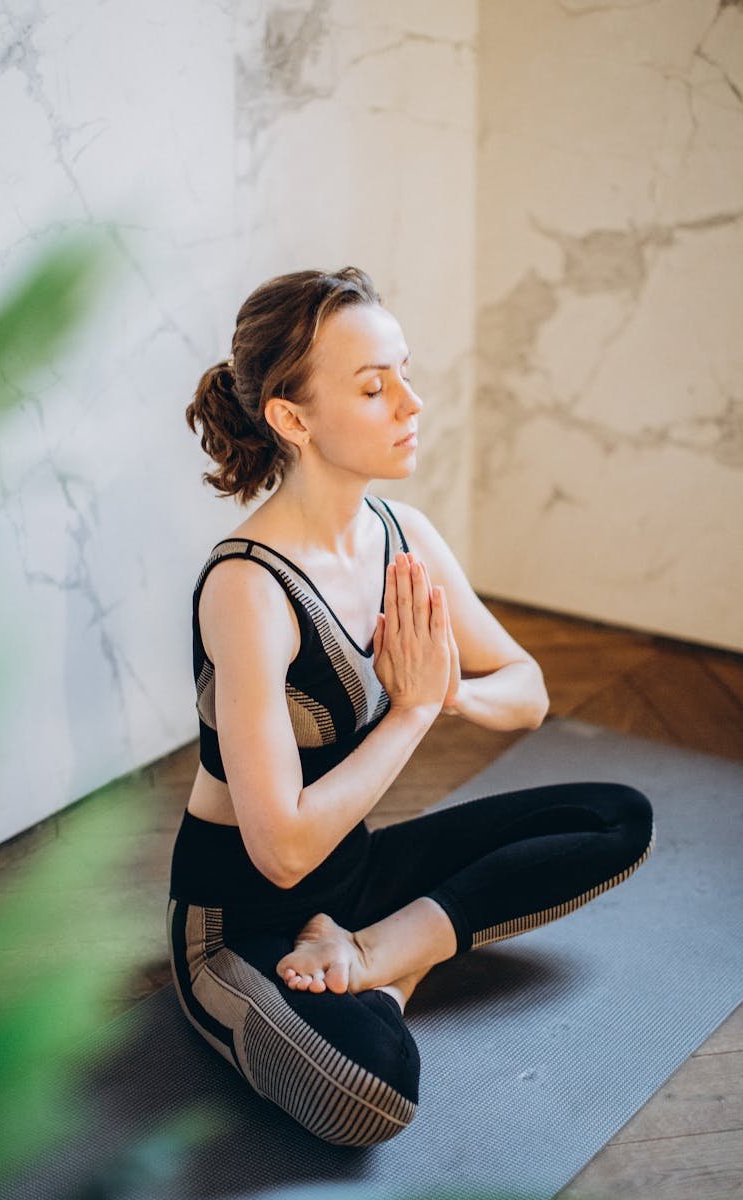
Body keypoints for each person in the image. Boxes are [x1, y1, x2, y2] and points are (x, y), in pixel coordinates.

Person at [166, 266, 655, 1148]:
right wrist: (412, 712)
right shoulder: (247, 588)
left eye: (404, 372)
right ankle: (376, 971)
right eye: (373, 385)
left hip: (351, 878)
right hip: (240, 915)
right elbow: (278, 851)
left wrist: (445, 691)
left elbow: (528, 690)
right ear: (292, 418)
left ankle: (374, 957)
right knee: (372, 1094)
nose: (412, 402)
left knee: (616, 815)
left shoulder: (403, 535)